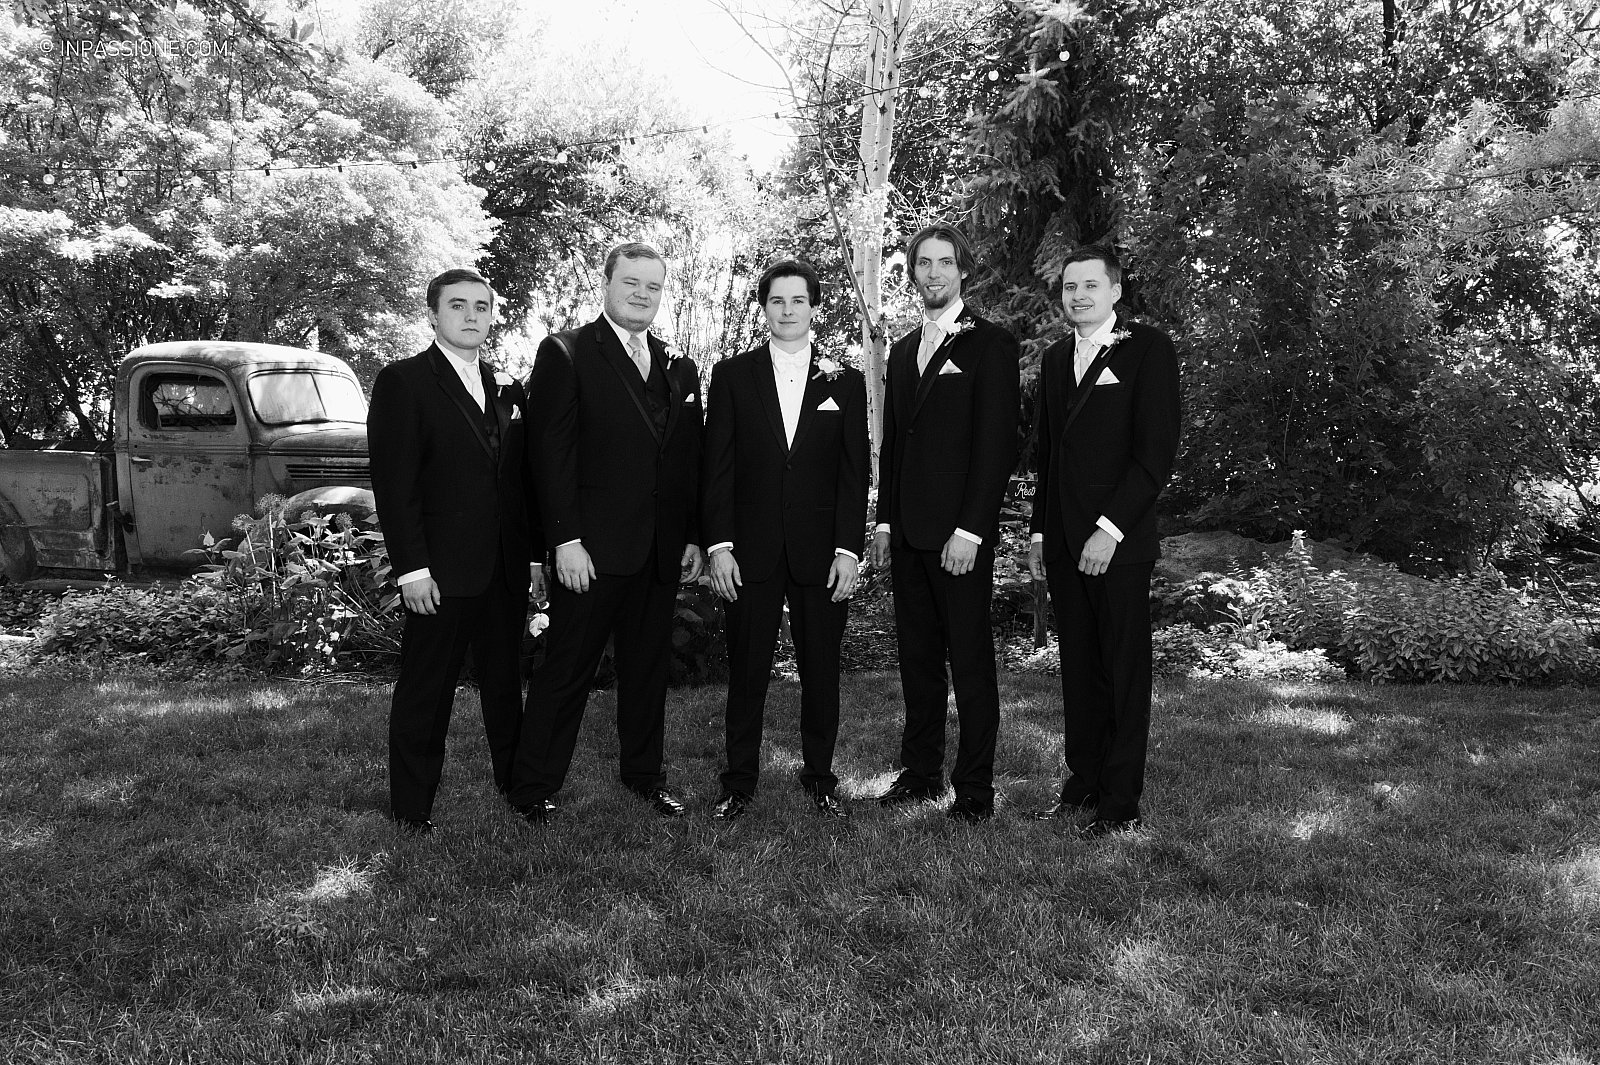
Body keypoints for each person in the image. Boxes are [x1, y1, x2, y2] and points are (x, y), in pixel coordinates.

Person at [507, 243, 705, 823]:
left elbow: (686, 460)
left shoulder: (678, 366)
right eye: (631, 283)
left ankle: (645, 777)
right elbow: (550, 455)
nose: (642, 295)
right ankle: (533, 787)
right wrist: (564, 540)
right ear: (607, 284)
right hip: (590, 551)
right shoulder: (566, 352)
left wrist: (691, 535)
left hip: (659, 550)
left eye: (653, 286)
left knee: (647, 674)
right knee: (567, 670)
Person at [367, 267, 540, 833]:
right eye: (458, 305)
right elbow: (395, 485)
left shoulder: (504, 386)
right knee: (427, 689)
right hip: (439, 571)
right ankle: (412, 807)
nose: (471, 316)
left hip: (503, 568)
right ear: (433, 315)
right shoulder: (404, 381)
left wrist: (532, 556)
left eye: (481, 307)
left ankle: (518, 789)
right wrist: (412, 569)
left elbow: (519, 481)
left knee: (505, 688)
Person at [701, 260, 869, 821]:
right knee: (747, 671)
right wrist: (719, 546)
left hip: (821, 554)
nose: (788, 310)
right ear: (764, 308)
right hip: (750, 551)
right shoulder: (731, 376)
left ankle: (821, 778)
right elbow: (717, 468)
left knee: (821, 671)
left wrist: (848, 551)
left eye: (798, 300)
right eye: (777, 300)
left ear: (814, 307)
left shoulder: (845, 381)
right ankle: (738, 783)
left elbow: (854, 475)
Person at [867, 224, 1021, 822]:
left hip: (961, 537)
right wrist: (885, 522)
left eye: (945, 263)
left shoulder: (991, 344)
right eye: (924, 263)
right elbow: (894, 444)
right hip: (908, 535)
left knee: (971, 662)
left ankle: (975, 788)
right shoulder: (904, 349)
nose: (933, 273)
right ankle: (920, 772)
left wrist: (972, 530)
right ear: (913, 272)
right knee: (919, 661)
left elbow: (995, 447)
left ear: (963, 271)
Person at [1026, 244, 1181, 837]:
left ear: (1115, 291)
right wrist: (1040, 531)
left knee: (1122, 672)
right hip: (1065, 543)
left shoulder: (1148, 349)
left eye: (1091, 285)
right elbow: (1049, 456)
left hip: (1119, 542)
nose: (1079, 296)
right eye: (1070, 287)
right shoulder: (1054, 359)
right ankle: (1083, 782)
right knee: (1079, 668)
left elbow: (1154, 454)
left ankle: (1119, 801)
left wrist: (1109, 529)